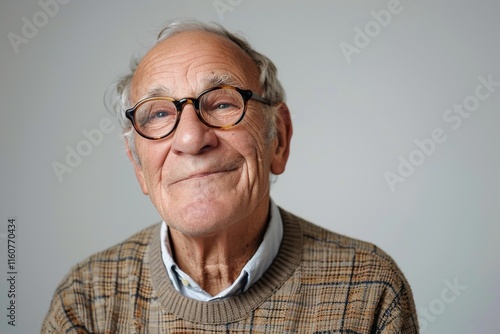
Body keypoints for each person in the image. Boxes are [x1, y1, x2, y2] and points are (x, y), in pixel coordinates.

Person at [42, 19, 418, 333]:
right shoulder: (86, 300)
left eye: (222, 103)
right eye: (158, 114)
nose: (191, 139)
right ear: (138, 166)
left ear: (279, 139)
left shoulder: (368, 288)